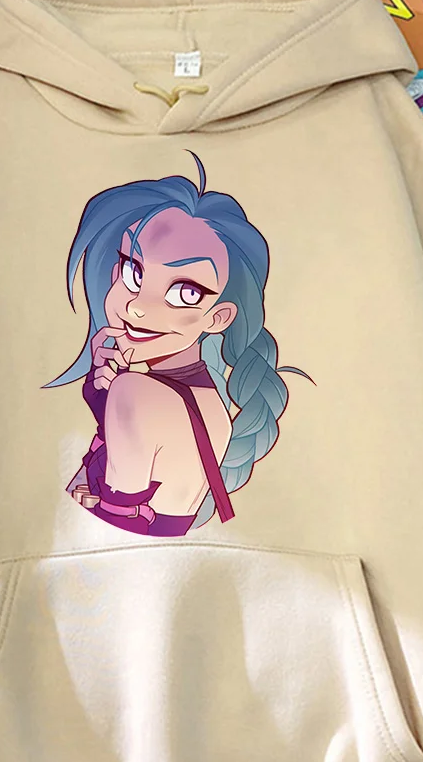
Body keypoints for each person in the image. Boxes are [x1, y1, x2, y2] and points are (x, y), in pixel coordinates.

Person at [46, 152, 310, 537]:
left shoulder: (134, 392)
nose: (137, 307)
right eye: (134, 272)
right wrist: (103, 405)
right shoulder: (212, 402)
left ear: (218, 318)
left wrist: (111, 406)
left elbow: (109, 530)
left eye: (185, 293)